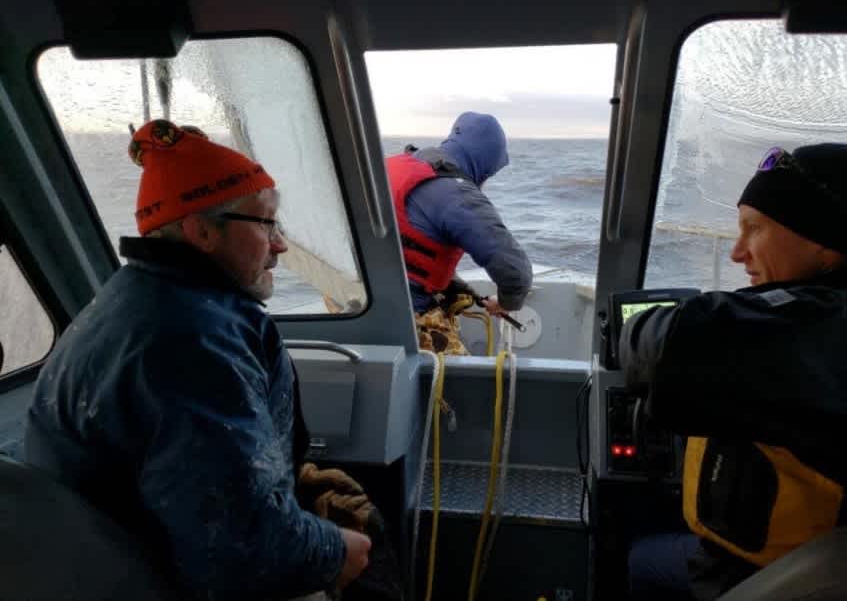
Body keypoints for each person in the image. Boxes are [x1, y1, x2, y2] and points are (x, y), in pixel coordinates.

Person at [24, 120, 372, 600]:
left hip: (105, 555)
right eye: (267, 223)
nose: (281, 245)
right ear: (201, 231)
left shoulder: (136, 296)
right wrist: (334, 550)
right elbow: (241, 549)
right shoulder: (192, 343)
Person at [619, 143, 847, 600]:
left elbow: (665, 344)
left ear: (822, 240)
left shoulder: (834, 331)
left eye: (755, 229)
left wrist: (636, 333)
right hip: (819, 562)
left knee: (641, 559)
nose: (736, 253)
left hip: (775, 580)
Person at [386, 112, 533, 354]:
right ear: (485, 166)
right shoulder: (459, 195)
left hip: (355, 304)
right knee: (466, 387)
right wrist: (505, 303)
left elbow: (398, 250)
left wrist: (452, 283)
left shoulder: (392, 166)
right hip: (403, 319)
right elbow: (516, 274)